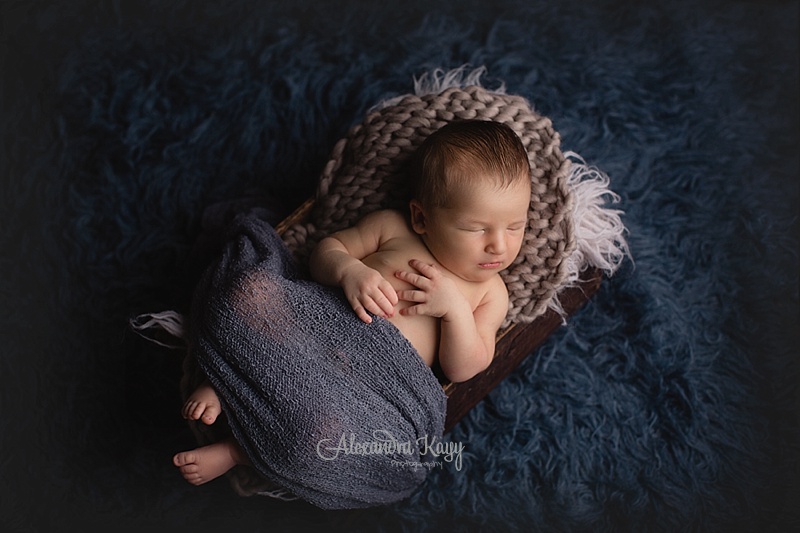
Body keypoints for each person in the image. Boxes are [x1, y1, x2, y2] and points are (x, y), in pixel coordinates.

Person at [173, 119, 532, 490]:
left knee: (323, 440)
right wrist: (349, 271)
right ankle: (224, 378)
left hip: (365, 382)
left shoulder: (490, 292)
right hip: (314, 326)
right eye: (477, 228)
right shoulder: (392, 227)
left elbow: (465, 368)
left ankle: (238, 451)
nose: (499, 246)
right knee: (247, 294)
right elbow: (325, 252)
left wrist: (455, 310)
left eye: (515, 226)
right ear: (421, 217)